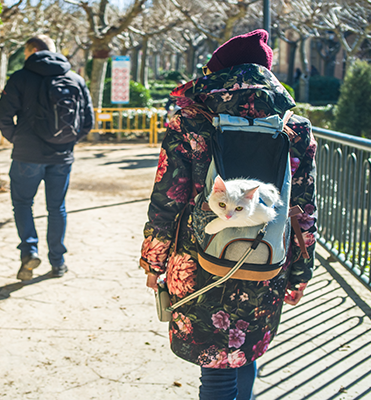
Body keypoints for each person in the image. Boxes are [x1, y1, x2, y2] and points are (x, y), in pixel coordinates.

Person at [140, 29, 317, 400]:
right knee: (243, 351)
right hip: (266, 257)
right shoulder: (294, 127)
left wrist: (154, 262)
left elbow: (167, 197)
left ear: (219, 72)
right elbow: (303, 208)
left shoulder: (190, 119)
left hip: (199, 258)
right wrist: (301, 270)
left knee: (215, 370)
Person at [0, 35, 94, 280]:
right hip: (61, 156)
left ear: (32, 50)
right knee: (56, 208)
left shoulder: (20, 77)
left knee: (22, 203)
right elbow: (87, 121)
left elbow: (3, 115)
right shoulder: (75, 79)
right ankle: (58, 263)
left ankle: (29, 251)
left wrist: (18, 139)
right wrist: (68, 143)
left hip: (26, 155)